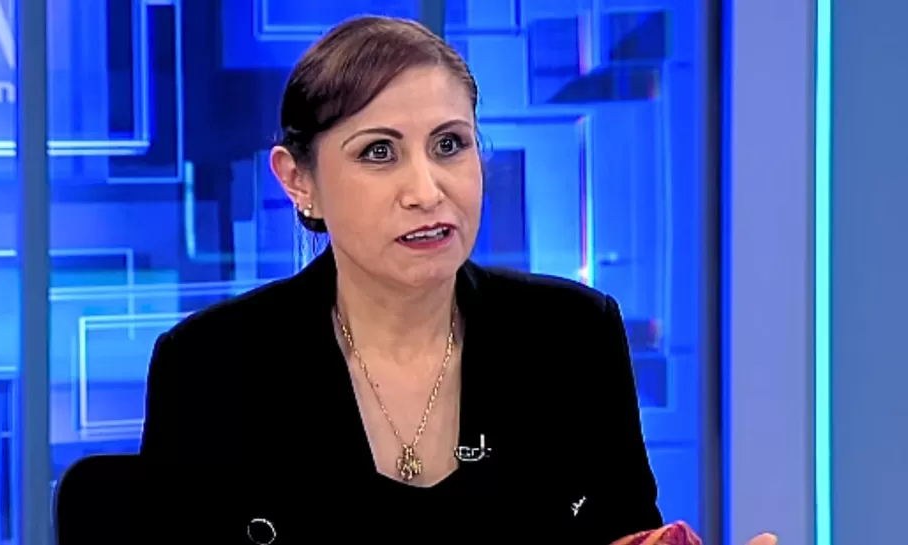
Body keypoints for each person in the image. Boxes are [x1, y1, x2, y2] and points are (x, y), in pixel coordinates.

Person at [139, 15, 776, 545]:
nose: (426, 191)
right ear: (298, 180)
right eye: (379, 152)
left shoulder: (573, 336)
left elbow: (626, 534)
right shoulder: (210, 365)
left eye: (450, 145)